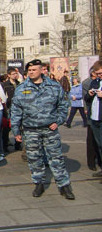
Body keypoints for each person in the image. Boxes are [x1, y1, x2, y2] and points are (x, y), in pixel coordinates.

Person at [11, 59, 75, 200]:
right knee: (34, 158)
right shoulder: (21, 88)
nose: (31, 72)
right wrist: (16, 131)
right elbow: (15, 111)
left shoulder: (54, 86)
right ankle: (38, 183)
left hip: (49, 129)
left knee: (56, 158)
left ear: (41, 70)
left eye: (34, 70)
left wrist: (58, 121)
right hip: (30, 130)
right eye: (29, 70)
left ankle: (64, 185)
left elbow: (63, 105)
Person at [85, 60, 102, 180]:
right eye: (97, 74)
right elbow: (86, 99)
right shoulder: (95, 82)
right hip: (94, 118)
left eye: (101, 73)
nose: (99, 76)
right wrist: (90, 94)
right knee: (99, 145)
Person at [2, 67, 21, 152]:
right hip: (8, 107)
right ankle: (5, 145)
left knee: (18, 127)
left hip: (18, 108)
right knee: (7, 128)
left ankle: (18, 144)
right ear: (9, 75)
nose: (15, 75)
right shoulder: (5, 85)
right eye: (13, 74)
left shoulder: (19, 84)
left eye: (16, 74)